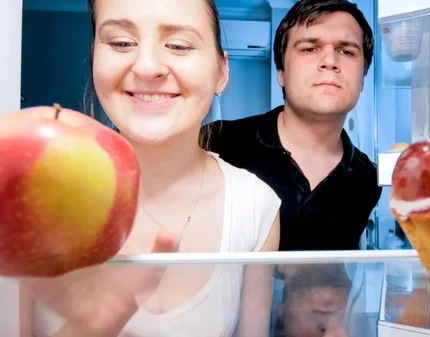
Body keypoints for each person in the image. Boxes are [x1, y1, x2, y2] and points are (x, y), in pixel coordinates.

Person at [18, 0, 281, 336]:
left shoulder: (254, 205)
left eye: (179, 45)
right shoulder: (30, 194)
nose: (146, 66)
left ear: (221, 72)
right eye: (121, 43)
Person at [204, 0, 382, 252]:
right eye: (310, 49)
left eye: (347, 51)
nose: (330, 61)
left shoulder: (367, 179)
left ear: (363, 78)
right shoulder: (218, 143)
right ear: (282, 72)